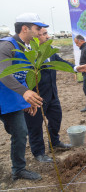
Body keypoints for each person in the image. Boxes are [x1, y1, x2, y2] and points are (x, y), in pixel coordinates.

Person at [24, 28, 86, 163]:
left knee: (56, 119)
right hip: (35, 98)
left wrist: (75, 68)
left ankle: (55, 143)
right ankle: (39, 153)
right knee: (35, 126)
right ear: (37, 36)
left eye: (47, 33)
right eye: (45, 34)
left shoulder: (50, 50)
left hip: (52, 94)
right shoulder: (29, 53)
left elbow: (60, 61)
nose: (48, 36)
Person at [0, 13, 46, 180]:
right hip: (2, 95)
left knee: (20, 132)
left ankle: (18, 169)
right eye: (37, 28)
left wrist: (26, 99)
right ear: (25, 28)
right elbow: (4, 75)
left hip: (11, 99)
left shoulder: (27, 49)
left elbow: (21, 75)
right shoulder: (6, 46)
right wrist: (25, 93)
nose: (40, 32)